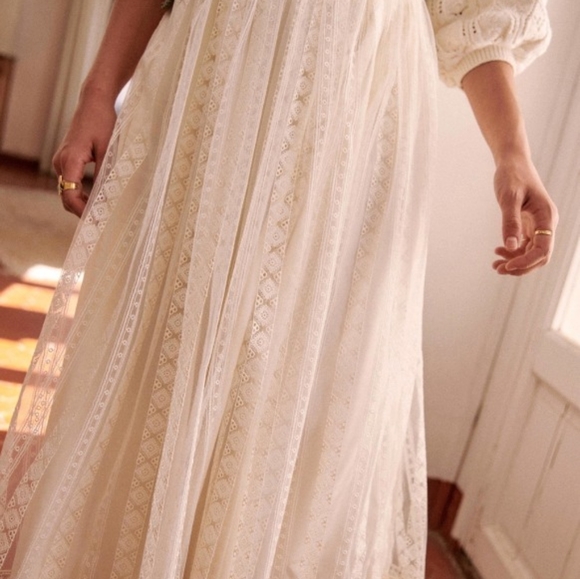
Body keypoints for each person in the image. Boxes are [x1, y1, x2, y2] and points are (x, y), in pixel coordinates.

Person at [0, 0, 557, 577]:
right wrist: (98, 92)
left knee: (309, 384)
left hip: (360, 111)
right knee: (165, 346)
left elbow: (476, 15)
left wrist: (513, 154)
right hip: (219, 81)